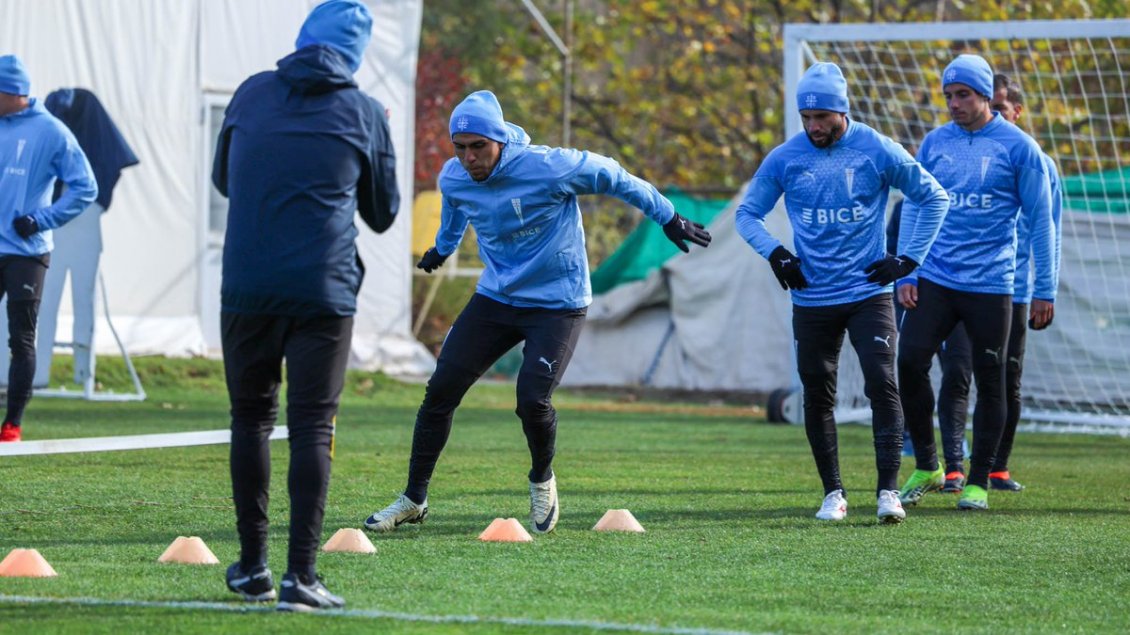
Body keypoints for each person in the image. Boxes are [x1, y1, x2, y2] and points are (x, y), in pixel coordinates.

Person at [363, 89, 711, 536]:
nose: (469, 158)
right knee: (440, 390)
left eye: (479, 147)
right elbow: (455, 213)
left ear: (500, 141)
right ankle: (414, 499)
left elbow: (615, 176)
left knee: (531, 398)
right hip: (497, 299)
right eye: (461, 148)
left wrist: (667, 217)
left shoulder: (549, 166)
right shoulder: (454, 177)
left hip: (558, 304)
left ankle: (542, 479)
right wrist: (441, 249)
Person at [211, 0, 399, 611]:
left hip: (246, 284)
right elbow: (382, 212)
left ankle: (251, 568)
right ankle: (301, 577)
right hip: (323, 288)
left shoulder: (248, 94)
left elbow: (224, 179)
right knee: (312, 425)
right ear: (356, 54)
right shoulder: (364, 111)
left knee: (250, 420)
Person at [736, 62, 949, 523]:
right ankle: (833, 493)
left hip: (868, 292)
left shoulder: (876, 149)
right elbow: (747, 215)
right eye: (806, 118)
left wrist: (908, 259)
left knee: (882, 383)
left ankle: (888, 492)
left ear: (842, 112)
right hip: (812, 298)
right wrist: (776, 254)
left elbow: (934, 197)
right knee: (818, 393)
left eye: (822, 118)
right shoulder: (785, 158)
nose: (814, 127)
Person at [896, 55, 1056, 511]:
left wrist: (1045, 287)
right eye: (948, 95)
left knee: (992, 380)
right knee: (908, 361)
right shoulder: (933, 143)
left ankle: (980, 481)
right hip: (937, 278)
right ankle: (928, 463)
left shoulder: (1018, 147)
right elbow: (914, 205)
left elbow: (1041, 222)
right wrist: (909, 269)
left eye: (963, 94)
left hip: (991, 284)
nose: (954, 104)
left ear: (986, 96)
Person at [0, 55, 97, 443]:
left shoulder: (52, 132)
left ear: (12, 93)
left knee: (21, 339)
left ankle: (12, 425)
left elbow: (85, 187)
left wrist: (41, 219)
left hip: (27, 252)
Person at [35, 88, 139, 389]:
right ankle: (40, 372)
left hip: (83, 232)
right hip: (55, 231)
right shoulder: (59, 127)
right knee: (46, 302)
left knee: (84, 301)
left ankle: (85, 375)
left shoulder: (90, 122)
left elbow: (110, 169)